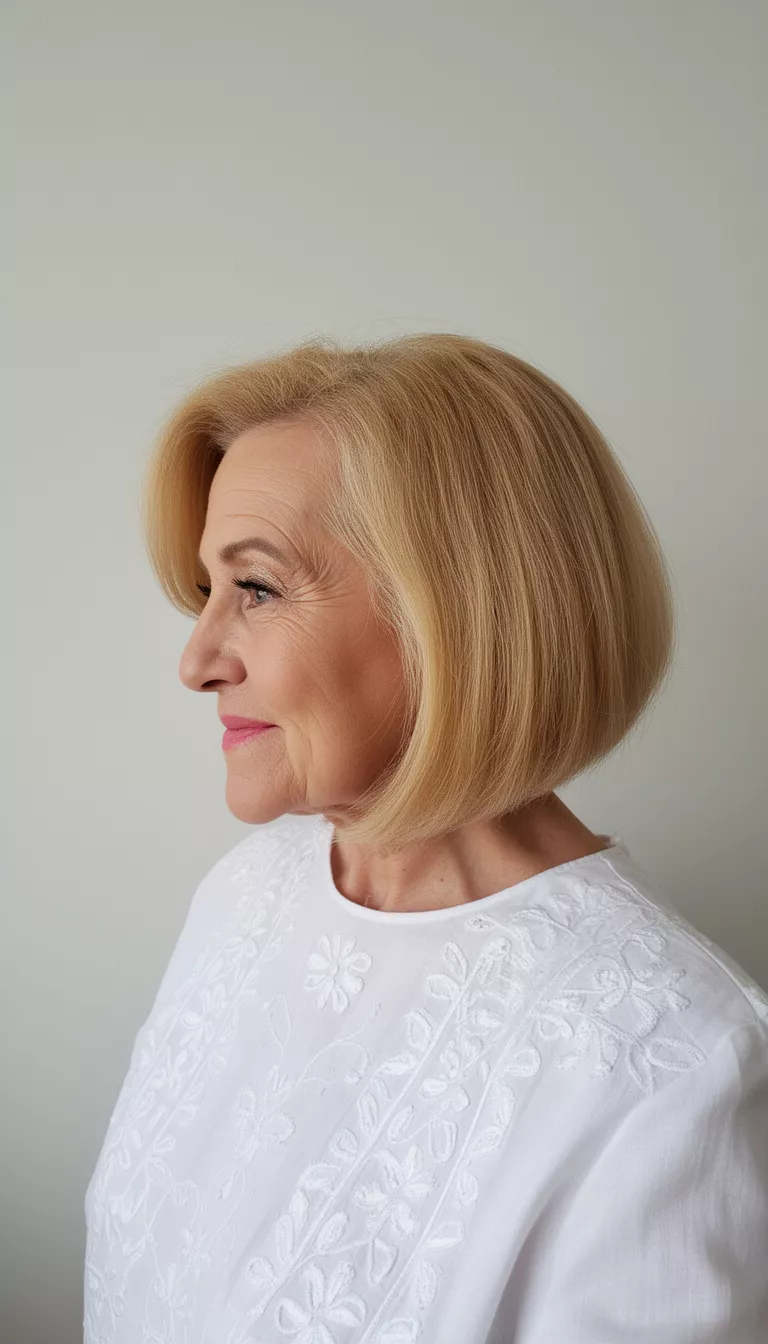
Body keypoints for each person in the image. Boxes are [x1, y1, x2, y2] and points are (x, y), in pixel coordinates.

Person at [83, 332, 768, 1343]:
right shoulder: (245, 896)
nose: (196, 660)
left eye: (257, 589)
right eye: (205, 592)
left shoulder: (676, 1067)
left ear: (451, 613)